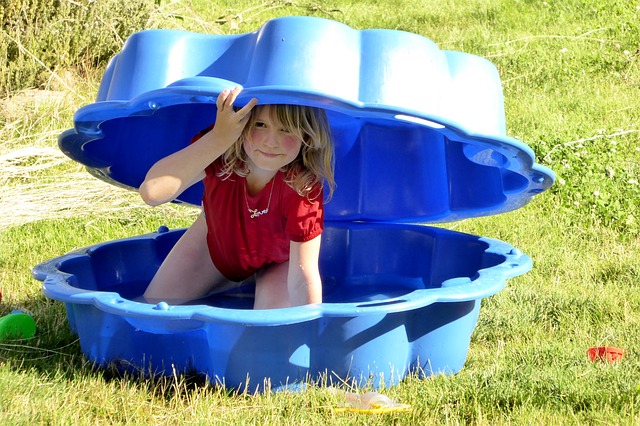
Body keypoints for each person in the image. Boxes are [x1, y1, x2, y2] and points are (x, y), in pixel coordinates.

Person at [139, 87, 335, 309]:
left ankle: (257, 286)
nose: (271, 141)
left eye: (286, 129)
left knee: (273, 327)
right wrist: (218, 138)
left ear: (307, 135)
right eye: (260, 125)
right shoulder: (222, 150)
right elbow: (152, 193)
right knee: (154, 306)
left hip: (280, 262)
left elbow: (303, 277)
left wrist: (311, 330)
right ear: (241, 123)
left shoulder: (302, 185)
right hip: (214, 244)